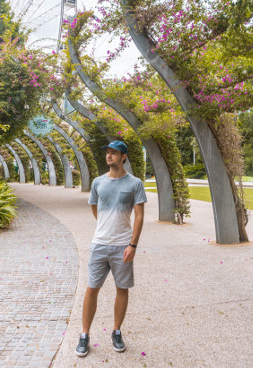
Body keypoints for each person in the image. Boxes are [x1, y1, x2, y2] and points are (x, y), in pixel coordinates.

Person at [75, 140, 147, 357]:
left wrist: (132, 244)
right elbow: (95, 209)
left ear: (123, 156)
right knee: (91, 288)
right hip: (99, 245)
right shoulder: (98, 182)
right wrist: (105, 228)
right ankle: (85, 335)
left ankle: (116, 331)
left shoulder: (135, 183)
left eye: (113, 153)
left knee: (121, 289)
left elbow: (140, 216)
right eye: (107, 152)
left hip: (122, 247)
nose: (109, 156)